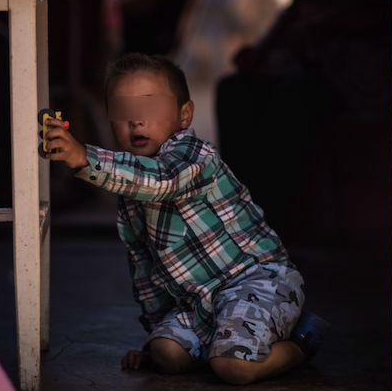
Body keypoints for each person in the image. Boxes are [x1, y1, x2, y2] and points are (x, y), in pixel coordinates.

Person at [41, 53, 327, 385]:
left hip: (255, 282)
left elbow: (160, 180)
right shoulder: (129, 191)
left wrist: (83, 157)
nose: (137, 121)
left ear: (184, 114)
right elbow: (146, 268)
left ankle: (299, 341)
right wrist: (156, 331)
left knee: (234, 368)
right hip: (198, 302)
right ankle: (228, 342)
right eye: (123, 111)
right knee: (167, 353)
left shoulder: (194, 156)